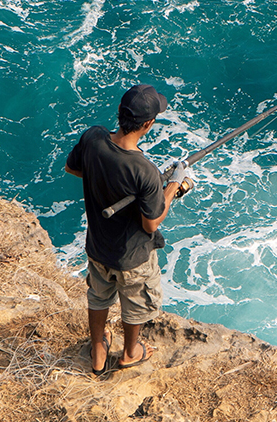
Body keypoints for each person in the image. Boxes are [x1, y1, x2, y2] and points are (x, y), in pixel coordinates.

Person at [65, 83, 188, 375]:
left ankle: (97, 349)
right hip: (132, 257)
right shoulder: (143, 170)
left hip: (97, 246)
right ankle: (131, 352)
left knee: (98, 295)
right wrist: (172, 184)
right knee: (135, 302)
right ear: (148, 123)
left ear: (120, 113)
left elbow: (74, 168)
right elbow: (151, 222)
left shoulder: (93, 138)